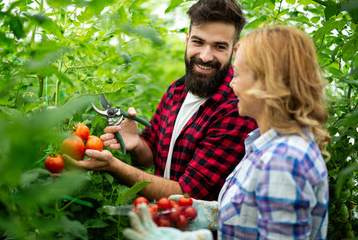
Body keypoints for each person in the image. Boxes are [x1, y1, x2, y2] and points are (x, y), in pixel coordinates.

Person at [122, 25, 332, 240]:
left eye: (238, 74)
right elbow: (252, 211)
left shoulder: (282, 161)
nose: (231, 84)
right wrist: (205, 213)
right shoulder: (264, 146)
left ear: (267, 84)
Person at [64, 0, 257, 201]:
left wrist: (114, 166)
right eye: (198, 42)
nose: (206, 56)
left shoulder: (236, 108)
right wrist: (137, 143)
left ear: (234, 50)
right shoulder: (177, 90)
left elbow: (186, 195)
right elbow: (152, 156)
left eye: (219, 47)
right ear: (187, 40)